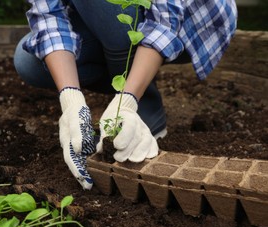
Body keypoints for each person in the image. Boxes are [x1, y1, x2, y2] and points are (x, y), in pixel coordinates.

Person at [14, 0, 238, 190]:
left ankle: (143, 102)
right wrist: (71, 100)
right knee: (29, 62)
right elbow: (48, 17)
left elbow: (164, 20)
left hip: (192, 19)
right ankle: (126, 78)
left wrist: (128, 101)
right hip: (108, 16)